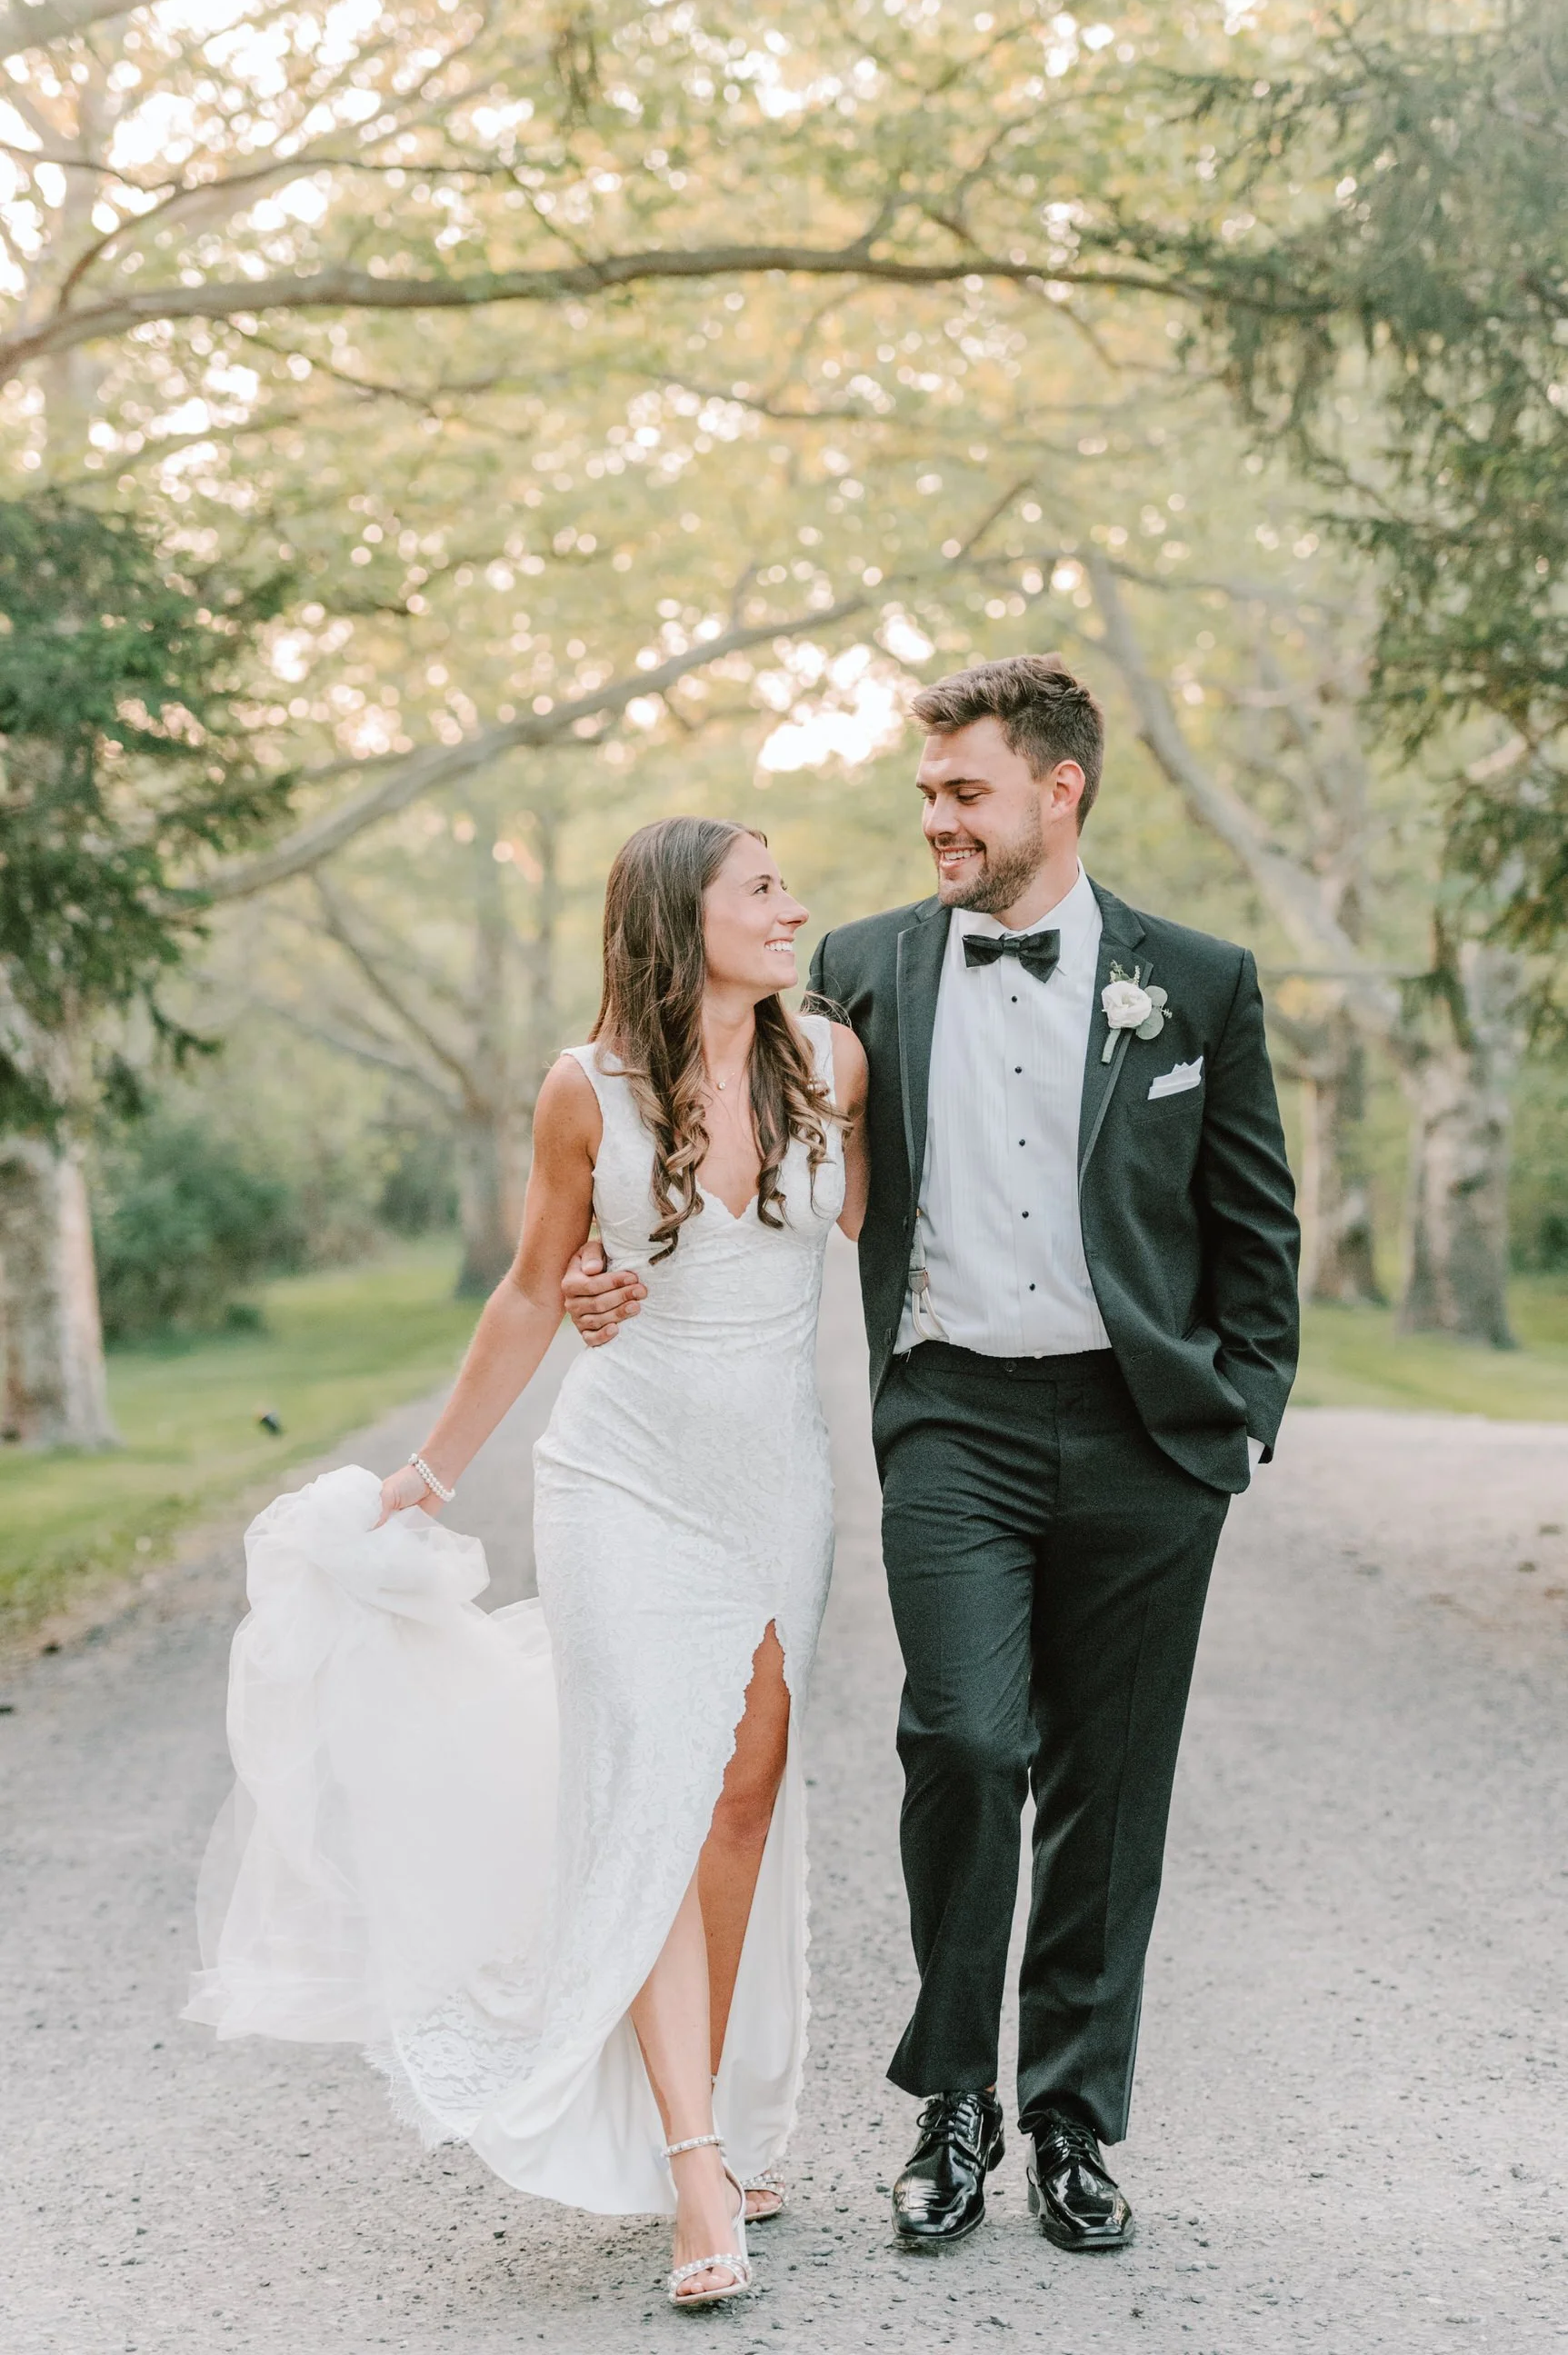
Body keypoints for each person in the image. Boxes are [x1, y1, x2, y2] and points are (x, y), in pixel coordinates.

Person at [563, 655, 1300, 2255]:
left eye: (964, 792)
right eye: (927, 796)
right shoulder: (863, 971)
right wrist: (600, 1262)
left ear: (1061, 790)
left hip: (1143, 1435)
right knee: (965, 1741)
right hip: (953, 1414)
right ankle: (952, 2101)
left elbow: (1258, 1224)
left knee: (1112, 1787)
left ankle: (1073, 2125)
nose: (936, 822)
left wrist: (1238, 1413)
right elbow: (704, 1124)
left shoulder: (1201, 979)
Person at [185, 816, 869, 2310]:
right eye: (763, 889)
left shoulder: (832, 1064)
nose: (793, 905)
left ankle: (723, 2111)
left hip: (778, 1488)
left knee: (743, 1796)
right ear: (682, 920)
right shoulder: (587, 1091)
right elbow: (527, 1286)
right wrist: (431, 1470)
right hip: (620, 1480)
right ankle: (695, 2165)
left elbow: (873, 1236)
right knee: (645, 1798)